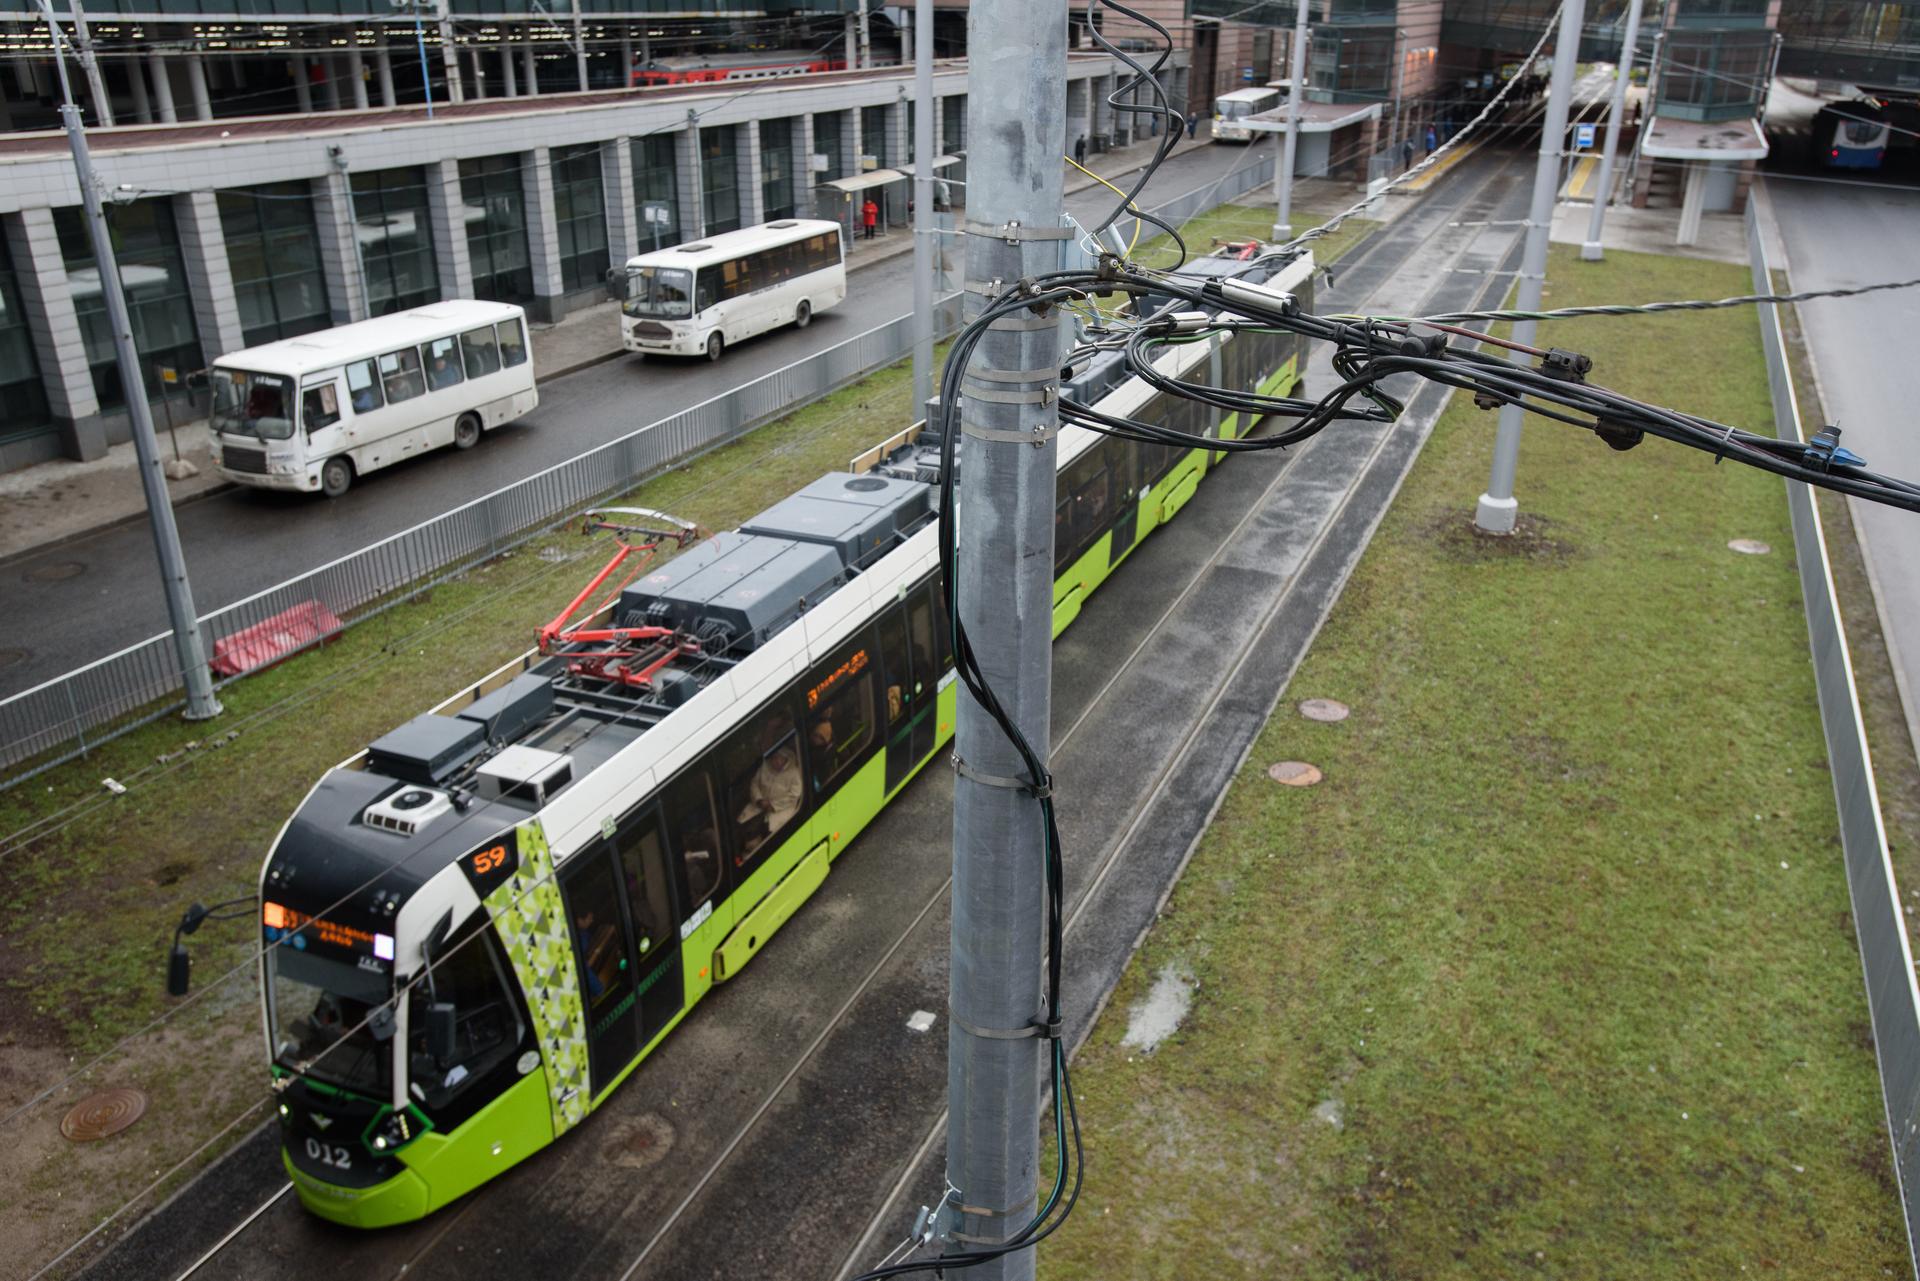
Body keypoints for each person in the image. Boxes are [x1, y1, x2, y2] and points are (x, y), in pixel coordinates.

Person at [737, 723, 803, 855]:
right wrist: (760, 800)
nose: (776, 762)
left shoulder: (794, 773)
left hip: (780, 811)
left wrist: (773, 805)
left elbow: (794, 795)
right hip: (759, 806)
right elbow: (755, 783)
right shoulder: (765, 767)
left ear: (786, 759)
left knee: (770, 833)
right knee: (743, 827)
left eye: (780, 759)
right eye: (774, 758)